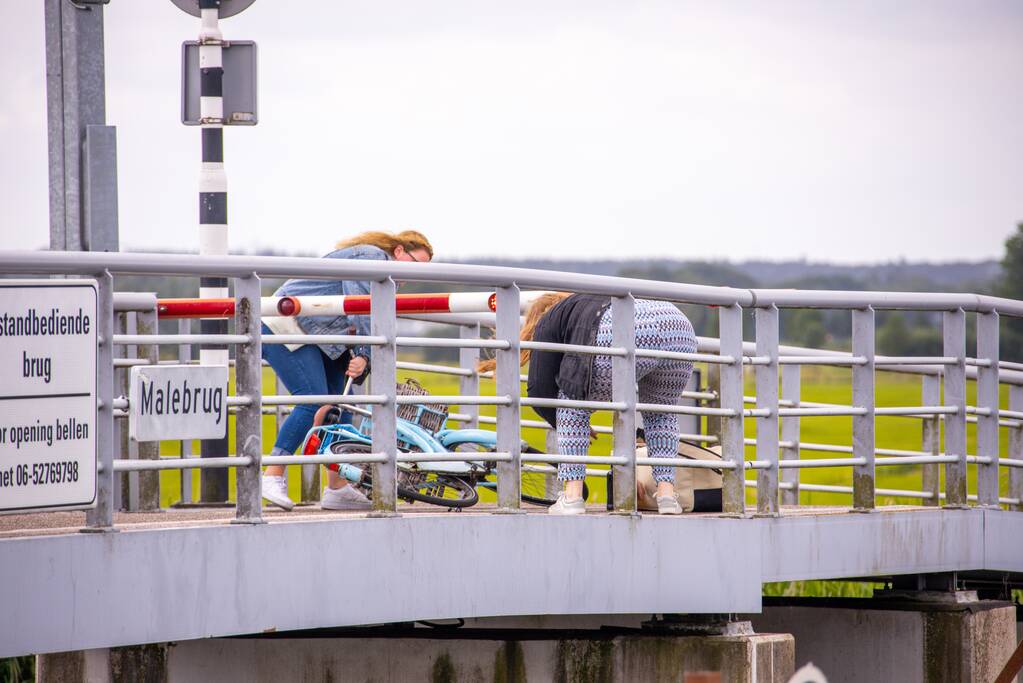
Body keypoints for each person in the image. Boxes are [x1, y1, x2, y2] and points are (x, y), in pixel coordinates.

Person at [260, 230, 434, 511]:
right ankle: (272, 475)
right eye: (415, 263)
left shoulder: (386, 276)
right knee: (313, 400)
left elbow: (361, 316)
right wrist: (364, 353)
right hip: (286, 325)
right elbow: (360, 308)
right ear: (399, 251)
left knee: (343, 407)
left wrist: (361, 355)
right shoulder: (373, 257)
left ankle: (337, 487)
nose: (413, 274)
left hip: (317, 336)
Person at [481, 292, 697, 515]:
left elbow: (539, 390)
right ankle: (667, 496)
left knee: (572, 404)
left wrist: (567, 422)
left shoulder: (551, 319)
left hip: (629, 327)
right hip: (678, 326)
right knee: (660, 413)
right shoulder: (591, 300)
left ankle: (572, 497)